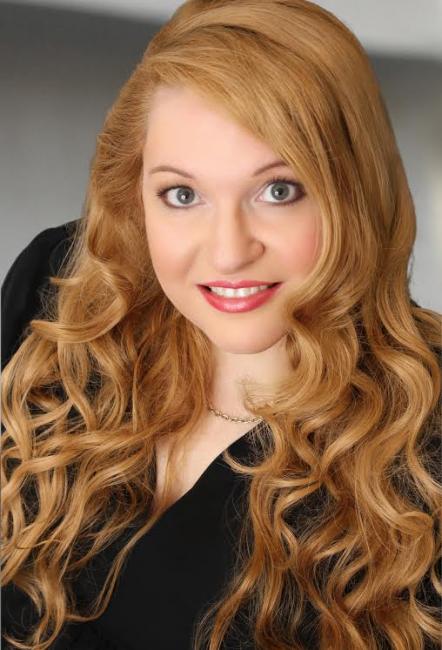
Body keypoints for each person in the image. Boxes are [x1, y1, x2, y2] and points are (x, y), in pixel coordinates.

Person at [1, 0, 441, 649]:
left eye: (278, 191)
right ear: (134, 195)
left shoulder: (427, 444)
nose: (229, 252)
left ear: (355, 190)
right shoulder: (59, 299)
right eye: (183, 195)